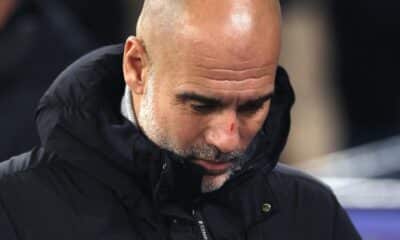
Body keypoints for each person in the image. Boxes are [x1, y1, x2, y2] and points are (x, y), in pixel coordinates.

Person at [0, 0, 361, 239]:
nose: (228, 139)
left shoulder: (311, 214)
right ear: (136, 67)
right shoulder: (14, 209)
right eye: (201, 105)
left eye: (253, 107)